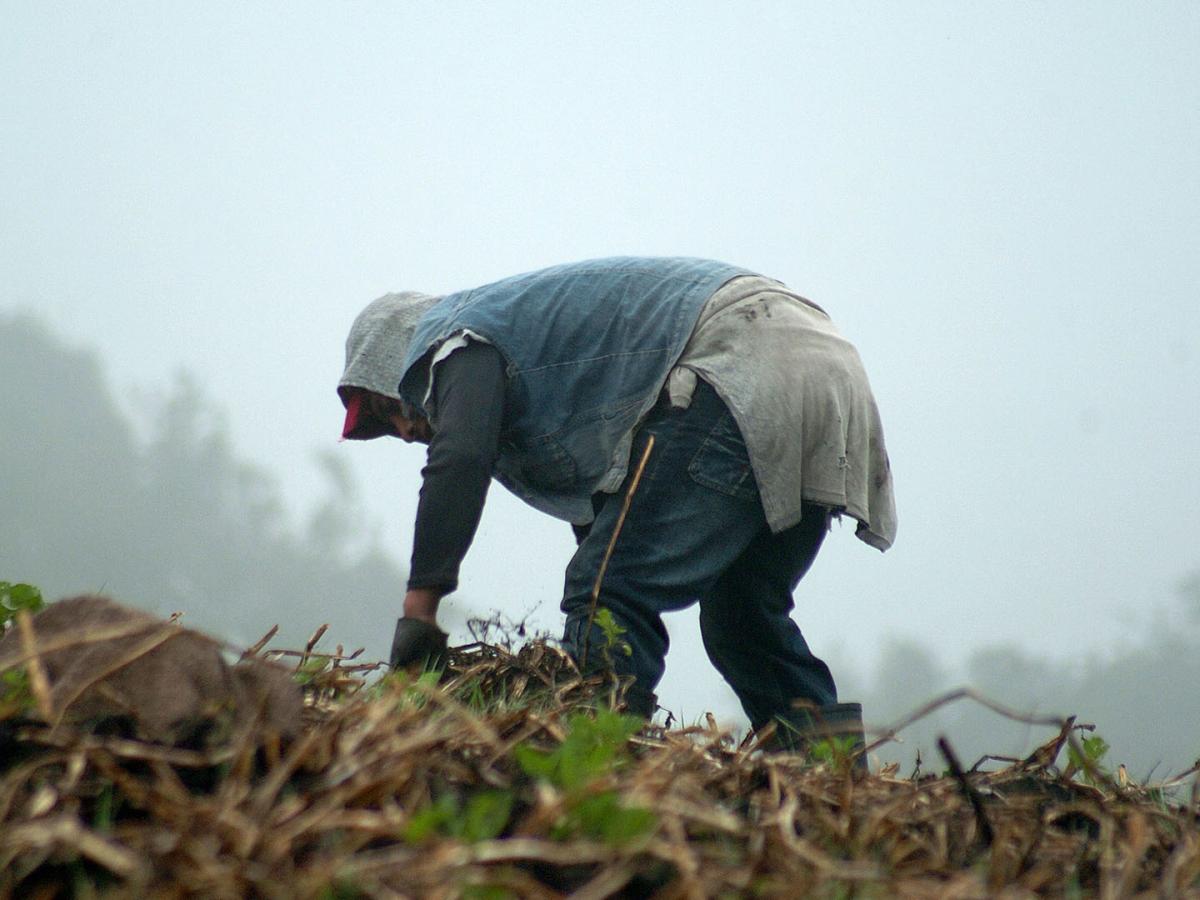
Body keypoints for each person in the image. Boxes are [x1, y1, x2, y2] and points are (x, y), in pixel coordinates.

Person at [338, 256, 896, 751]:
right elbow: (618, 515)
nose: (404, 432)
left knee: (606, 591)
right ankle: (835, 782)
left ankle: (593, 763)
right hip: (827, 367)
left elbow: (460, 458)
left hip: (738, 354)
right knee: (742, 618)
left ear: (397, 359)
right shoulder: (534, 345)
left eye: (387, 410)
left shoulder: (454, 339)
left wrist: (420, 610)